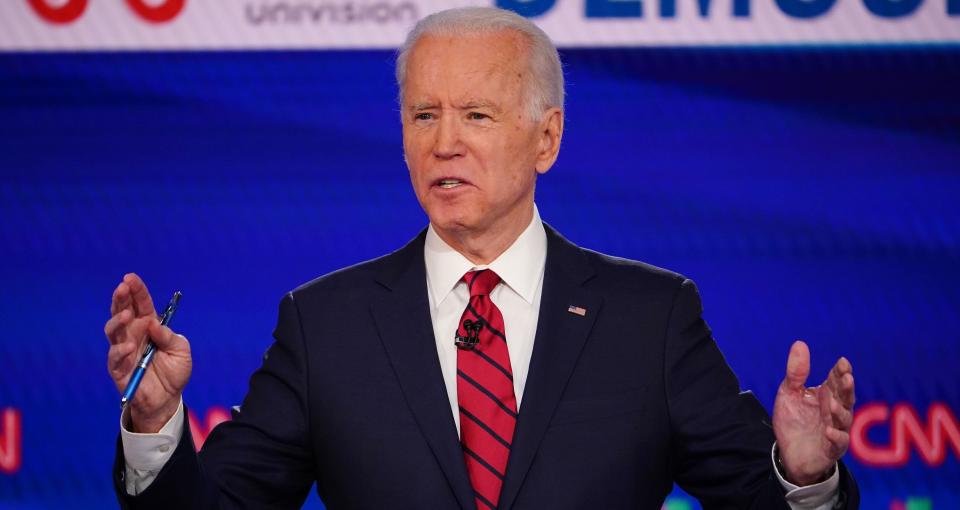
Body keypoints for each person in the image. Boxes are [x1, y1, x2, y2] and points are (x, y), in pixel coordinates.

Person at [104, 7, 858, 510]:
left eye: (477, 115)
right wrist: (155, 419)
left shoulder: (650, 318)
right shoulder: (324, 324)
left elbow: (759, 500)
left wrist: (804, 473)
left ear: (547, 138)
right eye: (424, 115)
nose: (444, 142)